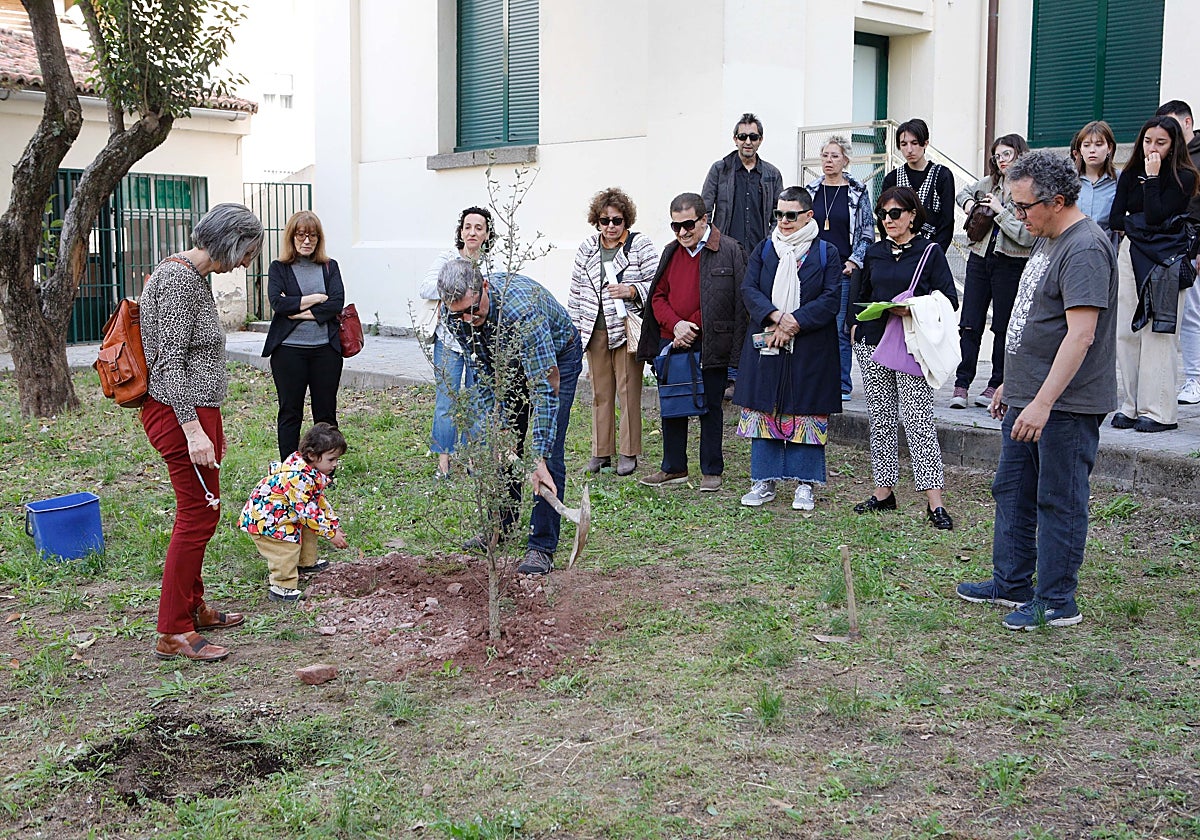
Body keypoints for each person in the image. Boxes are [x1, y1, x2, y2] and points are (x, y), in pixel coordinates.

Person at [956, 150, 1118, 630]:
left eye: (1024, 207)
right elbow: (1035, 319)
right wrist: (1013, 382)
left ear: (1059, 200)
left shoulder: (1084, 247)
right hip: (1028, 395)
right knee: (1012, 489)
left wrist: (1043, 401)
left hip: (1064, 404)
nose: (1019, 217)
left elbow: (1080, 334)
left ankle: (1056, 600)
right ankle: (1011, 582)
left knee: (1058, 497)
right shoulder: (1048, 237)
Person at [141, 203, 264, 662]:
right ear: (230, 241)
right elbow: (168, 364)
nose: (248, 262)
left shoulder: (190, 277)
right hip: (180, 415)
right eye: (248, 251)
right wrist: (193, 430)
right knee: (198, 516)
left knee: (202, 512)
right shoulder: (177, 281)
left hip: (194, 411)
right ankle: (171, 631)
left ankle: (192, 609)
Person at [438, 261, 583, 576]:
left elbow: (546, 389)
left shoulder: (523, 313)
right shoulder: (454, 314)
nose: (467, 320)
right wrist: (499, 424)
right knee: (505, 442)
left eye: (473, 311)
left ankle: (541, 545)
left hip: (558, 356)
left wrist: (539, 455)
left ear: (485, 288)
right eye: (459, 313)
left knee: (549, 451)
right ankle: (501, 527)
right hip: (507, 364)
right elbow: (483, 368)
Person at [849, 187, 959, 529]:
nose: (888, 220)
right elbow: (860, 296)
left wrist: (911, 308)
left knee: (918, 421)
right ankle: (884, 494)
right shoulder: (875, 253)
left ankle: (935, 504)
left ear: (913, 214)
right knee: (880, 420)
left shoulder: (930, 252)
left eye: (895, 213)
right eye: (883, 214)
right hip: (873, 344)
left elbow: (948, 300)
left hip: (911, 345)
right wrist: (854, 327)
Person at [734, 188, 843, 510]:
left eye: (790, 215)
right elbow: (749, 288)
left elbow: (831, 297)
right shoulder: (765, 249)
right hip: (767, 341)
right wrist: (776, 317)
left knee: (805, 413)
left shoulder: (826, 252)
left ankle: (805, 485)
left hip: (810, 348)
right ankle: (763, 481)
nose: (783, 221)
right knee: (763, 410)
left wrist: (795, 321)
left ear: (809, 216)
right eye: (779, 214)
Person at [636, 193, 747, 492]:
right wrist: (675, 325)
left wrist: (692, 325)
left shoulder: (730, 250)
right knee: (672, 404)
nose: (683, 232)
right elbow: (656, 297)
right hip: (672, 341)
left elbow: (732, 301)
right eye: (676, 226)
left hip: (710, 342)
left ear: (704, 219)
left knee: (711, 406)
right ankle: (673, 468)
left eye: (688, 225)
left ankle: (712, 469)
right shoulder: (671, 251)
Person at [1108, 115, 1200, 432]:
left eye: (1160, 142)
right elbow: (1118, 218)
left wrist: (1153, 180)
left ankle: (1159, 411)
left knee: (1159, 332)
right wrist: (1142, 218)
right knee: (1126, 331)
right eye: (1148, 141)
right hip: (1131, 252)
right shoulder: (1129, 173)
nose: (1152, 148)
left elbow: (1159, 215)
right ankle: (1131, 406)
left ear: (1174, 144)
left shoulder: (1185, 176)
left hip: (1166, 258)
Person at [567, 188, 660, 477]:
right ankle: (600, 452)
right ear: (596, 220)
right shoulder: (587, 248)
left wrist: (632, 290)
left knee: (629, 390)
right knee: (600, 392)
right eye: (604, 220)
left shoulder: (640, 246)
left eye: (616, 221)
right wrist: (573, 332)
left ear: (626, 221)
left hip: (627, 329)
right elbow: (576, 291)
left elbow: (657, 283)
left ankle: (629, 452)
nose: (610, 226)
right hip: (593, 330)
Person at [950, 134, 1036, 409]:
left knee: (1003, 325)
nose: (1001, 161)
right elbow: (962, 193)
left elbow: (1025, 236)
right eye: (997, 156)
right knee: (969, 322)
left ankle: (995, 384)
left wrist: (999, 211)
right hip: (979, 257)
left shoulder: (1030, 189)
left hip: (1011, 261)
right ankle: (961, 384)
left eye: (1007, 154)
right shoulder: (990, 183)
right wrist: (970, 206)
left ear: (1020, 155)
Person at [702, 112, 783, 400]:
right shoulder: (720, 169)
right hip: (726, 253)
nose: (748, 142)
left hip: (760, 253)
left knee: (756, 312)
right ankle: (728, 374)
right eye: (742, 136)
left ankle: (751, 371)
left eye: (753, 136)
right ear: (734, 138)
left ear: (761, 140)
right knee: (726, 310)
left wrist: (773, 244)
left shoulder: (771, 174)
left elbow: (779, 212)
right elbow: (705, 211)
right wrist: (711, 245)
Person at [261, 211, 346, 461]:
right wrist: (317, 299)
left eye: (312, 236)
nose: (307, 241)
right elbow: (278, 303)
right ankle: (290, 469)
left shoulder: (330, 267)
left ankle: (326, 466)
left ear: (319, 239)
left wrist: (297, 311)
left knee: (326, 413)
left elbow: (336, 304)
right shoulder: (279, 268)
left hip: (325, 351)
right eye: (301, 235)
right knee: (290, 412)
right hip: (289, 352)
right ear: (291, 237)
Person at [419, 207, 495, 478]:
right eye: (467, 227)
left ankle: (473, 458)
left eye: (478, 227)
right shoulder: (447, 258)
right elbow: (425, 287)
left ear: (486, 234)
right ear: (460, 231)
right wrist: (455, 288)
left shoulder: (492, 264)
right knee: (446, 400)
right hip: (449, 341)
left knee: (478, 400)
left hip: (480, 342)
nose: (472, 232)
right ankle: (444, 460)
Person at [239, 423, 349, 602]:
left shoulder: (309, 471)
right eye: (331, 459)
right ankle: (282, 587)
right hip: (268, 522)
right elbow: (308, 513)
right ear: (312, 455)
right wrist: (330, 533)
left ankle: (305, 563)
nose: (335, 465)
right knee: (285, 548)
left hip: (283, 515)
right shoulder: (298, 478)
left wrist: (332, 524)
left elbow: (318, 503)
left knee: (308, 529)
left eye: (337, 459)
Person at [806, 135, 875, 401]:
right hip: (813, 268)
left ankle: (841, 383)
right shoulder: (810, 190)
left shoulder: (857, 190)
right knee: (811, 324)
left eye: (834, 156)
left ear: (845, 160)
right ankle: (813, 379)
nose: (829, 161)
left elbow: (867, 233)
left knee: (839, 328)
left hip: (843, 268)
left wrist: (853, 261)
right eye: (825, 155)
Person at [1155, 101, 1200, 405]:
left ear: (1187, 123)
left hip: (1194, 244)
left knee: (1192, 314)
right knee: (1186, 314)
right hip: (1174, 245)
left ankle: (1195, 379)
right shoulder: (1170, 157)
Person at [881, 118, 957, 253]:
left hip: (930, 248)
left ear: (925, 143)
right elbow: (883, 218)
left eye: (914, 143)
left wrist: (936, 253)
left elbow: (947, 222)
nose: (909, 150)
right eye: (904, 144)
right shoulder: (892, 178)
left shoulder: (942, 175)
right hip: (898, 250)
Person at [1070, 120, 1120, 235]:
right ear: (1080, 150)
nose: (1092, 150)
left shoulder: (1119, 179)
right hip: (1073, 246)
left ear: (1109, 148)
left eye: (1098, 144)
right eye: (1086, 145)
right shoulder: (1068, 179)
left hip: (1107, 247)